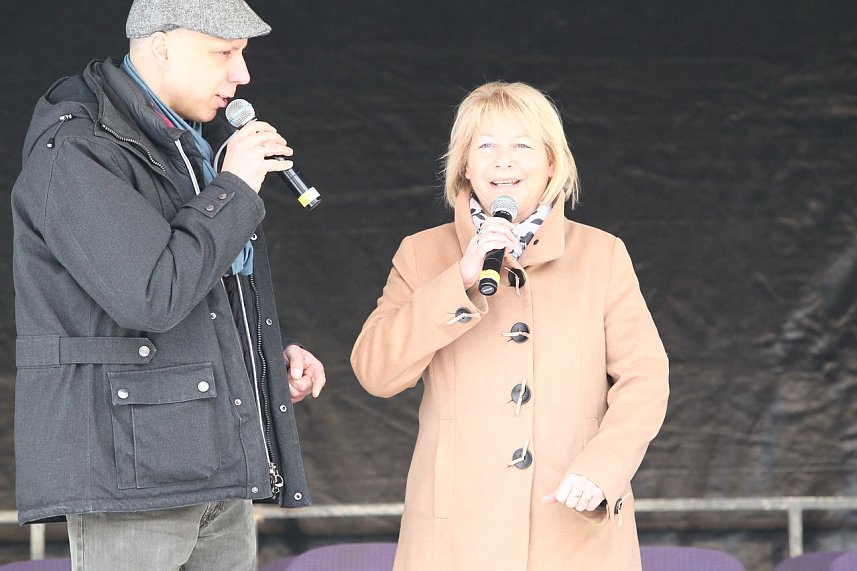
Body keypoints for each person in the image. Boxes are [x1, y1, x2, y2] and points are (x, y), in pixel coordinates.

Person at [11, 1, 325, 569]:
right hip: (132, 478)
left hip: (215, 465)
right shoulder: (79, 146)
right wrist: (233, 188)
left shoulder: (181, 144)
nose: (243, 75)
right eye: (224, 53)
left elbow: (200, 296)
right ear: (161, 45)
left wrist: (260, 359)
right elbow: (152, 293)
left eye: (243, 56)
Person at [351, 81, 669, 570]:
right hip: (454, 536)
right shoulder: (422, 253)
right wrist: (458, 279)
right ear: (464, 166)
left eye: (522, 145)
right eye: (485, 146)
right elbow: (376, 371)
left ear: (551, 163)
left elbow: (645, 379)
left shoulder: (602, 254)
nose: (503, 161)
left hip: (573, 523)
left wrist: (603, 469)